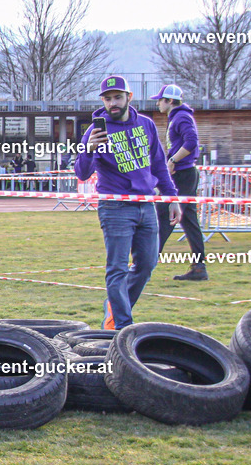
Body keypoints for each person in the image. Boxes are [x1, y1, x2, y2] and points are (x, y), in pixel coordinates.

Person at [76, 76, 180, 329]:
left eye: (117, 97)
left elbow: (158, 165)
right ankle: (121, 327)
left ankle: (115, 306)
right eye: (108, 98)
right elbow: (81, 172)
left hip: (147, 205)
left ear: (128, 97)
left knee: (146, 264)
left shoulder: (146, 124)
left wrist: (172, 198)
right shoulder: (95, 130)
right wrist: (89, 149)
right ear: (103, 100)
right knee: (118, 268)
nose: (113, 103)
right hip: (115, 207)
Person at [151, 84, 207, 281]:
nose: (157, 103)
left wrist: (173, 161)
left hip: (181, 174)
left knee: (164, 215)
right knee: (189, 220)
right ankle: (199, 268)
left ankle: (145, 264)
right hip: (185, 174)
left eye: (160, 100)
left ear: (170, 101)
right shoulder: (178, 117)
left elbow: (191, 142)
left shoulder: (181, 117)